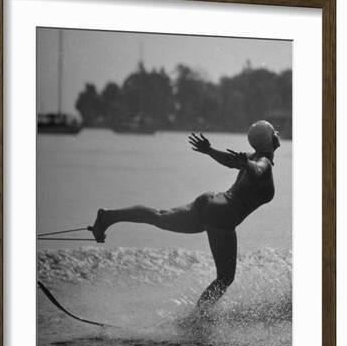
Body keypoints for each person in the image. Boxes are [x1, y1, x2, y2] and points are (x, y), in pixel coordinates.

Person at [90, 120, 281, 307]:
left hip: (210, 201)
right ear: (269, 140)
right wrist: (246, 164)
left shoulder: (253, 157)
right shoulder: (261, 162)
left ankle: (108, 217)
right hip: (222, 215)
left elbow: (232, 162)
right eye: (274, 133)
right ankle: (198, 319)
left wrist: (210, 151)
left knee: (160, 216)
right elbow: (258, 169)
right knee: (225, 279)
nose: (277, 135)